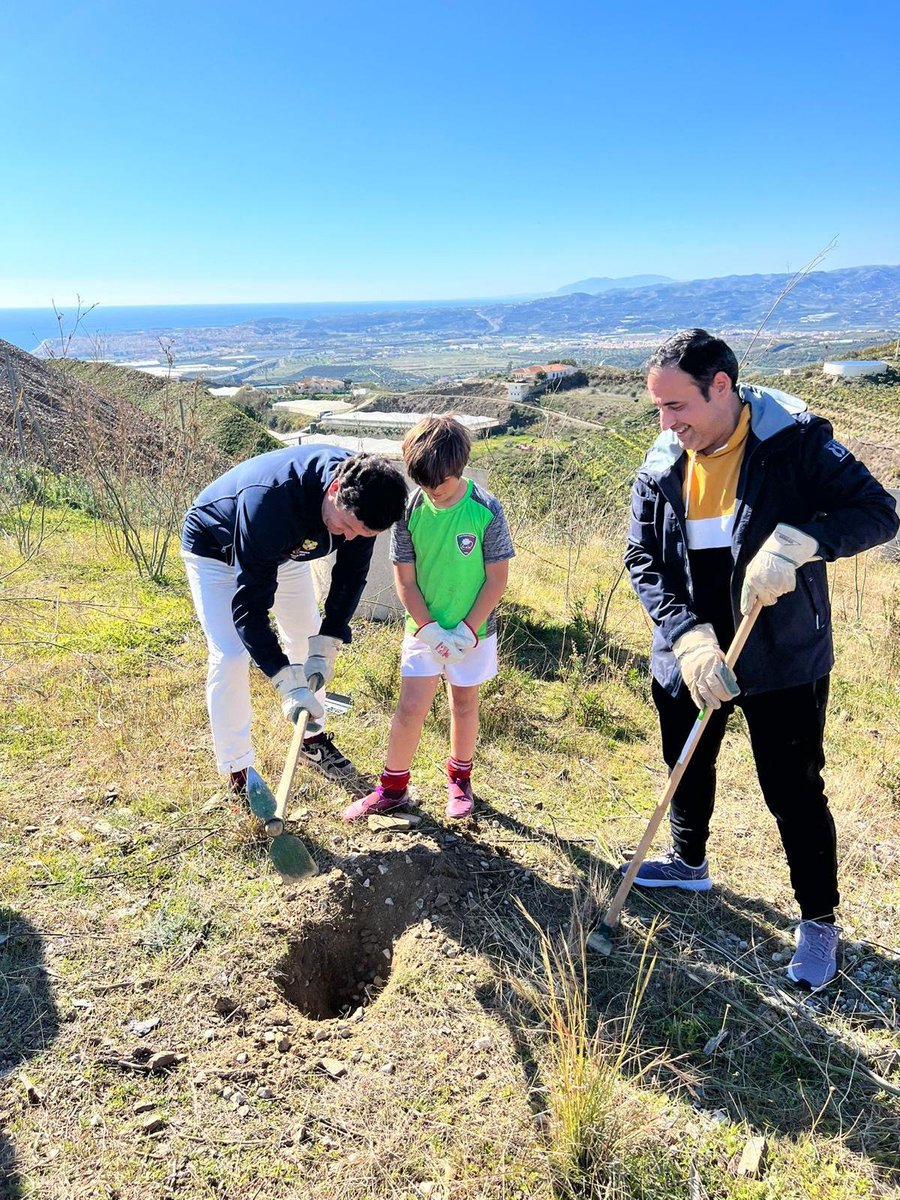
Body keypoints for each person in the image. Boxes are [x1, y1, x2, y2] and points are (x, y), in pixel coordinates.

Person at [622, 329, 899, 990]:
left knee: (793, 786)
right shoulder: (663, 461)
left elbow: (878, 513)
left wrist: (803, 543)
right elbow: (643, 559)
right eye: (658, 408)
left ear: (723, 386)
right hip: (691, 650)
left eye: (677, 405)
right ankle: (688, 862)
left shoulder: (794, 442)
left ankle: (819, 920)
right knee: (687, 757)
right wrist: (686, 638)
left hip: (783, 651)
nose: (666, 423)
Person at [181, 446, 407, 794]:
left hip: (287, 551)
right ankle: (238, 770)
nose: (348, 538)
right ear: (334, 490)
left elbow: (350, 576)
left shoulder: (365, 498)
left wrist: (328, 640)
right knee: (229, 656)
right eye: (346, 527)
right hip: (217, 548)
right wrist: (286, 681)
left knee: (305, 636)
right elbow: (249, 609)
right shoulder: (270, 501)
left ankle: (312, 740)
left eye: (361, 534)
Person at [343, 415, 514, 822]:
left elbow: (496, 580)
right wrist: (429, 627)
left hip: (474, 632)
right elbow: (405, 578)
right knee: (409, 708)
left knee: (465, 703)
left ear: (459, 468)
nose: (434, 492)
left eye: (441, 484)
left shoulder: (486, 510)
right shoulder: (410, 511)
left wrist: (468, 631)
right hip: (423, 630)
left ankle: (459, 780)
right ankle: (392, 788)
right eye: (424, 484)